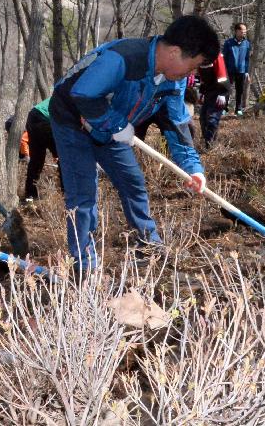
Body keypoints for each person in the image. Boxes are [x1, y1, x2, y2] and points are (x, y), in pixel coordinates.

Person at [49, 15, 219, 273]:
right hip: (72, 120)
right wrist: (116, 125)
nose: (192, 73)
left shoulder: (175, 80)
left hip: (113, 126)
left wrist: (193, 168)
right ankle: (85, 268)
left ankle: (150, 247)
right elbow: (83, 94)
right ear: (175, 52)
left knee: (133, 184)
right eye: (193, 66)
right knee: (83, 195)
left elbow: (177, 125)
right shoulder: (123, 57)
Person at [23, 97, 61, 201]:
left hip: (33, 115)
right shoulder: (76, 96)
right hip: (44, 119)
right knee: (63, 157)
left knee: (36, 160)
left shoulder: (66, 90)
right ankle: (65, 193)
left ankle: (30, 195)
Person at [197, 51, 230, 149]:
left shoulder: (216, 56)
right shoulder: (198, 56)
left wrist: (223, 93)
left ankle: (210, 145)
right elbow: (202, 78)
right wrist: (201, 91)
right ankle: (207, 142)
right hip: (208, 92)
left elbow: (223, 77)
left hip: (220, 92)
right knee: (203, 118)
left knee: (212, 119)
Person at [222, 22, 251, 115]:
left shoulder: (247, 44)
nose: (244, 33)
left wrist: (246, 71)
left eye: (245, 31)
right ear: (237, 31)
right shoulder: (228, 43)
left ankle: (238, 109)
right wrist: (223, 70)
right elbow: (224, 57)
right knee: (226, 89)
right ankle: (224, 108)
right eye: (242, 31)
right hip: (229, 70)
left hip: (241, 71)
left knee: (240, 90)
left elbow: (247, 59)